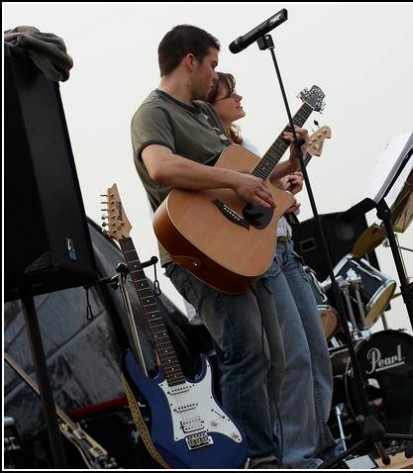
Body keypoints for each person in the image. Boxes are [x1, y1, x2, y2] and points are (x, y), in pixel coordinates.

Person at [130, 25, 305, 468]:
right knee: (247, 352)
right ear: (190, 61)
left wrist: (285, 165)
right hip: (194, 254)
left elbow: (242, 179)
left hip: (238, 249)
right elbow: (160, 166)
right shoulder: (152, 113)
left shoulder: (206, 116)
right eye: (212, 63)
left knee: (276, 356)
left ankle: (273, 455)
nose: (216, 75)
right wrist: (234, 180)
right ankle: (255, 460)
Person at [204, 72, 340, 468]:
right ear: (213, 105)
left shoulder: (243, 143)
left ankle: (322, 446)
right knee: (293, 357)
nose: (240, 96)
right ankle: (297, 458)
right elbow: (230, 202)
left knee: (316, 351)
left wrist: (291, 172)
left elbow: (264, 191)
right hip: (261, 257)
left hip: (286, 248)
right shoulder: (214, 150)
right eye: (231, 94)